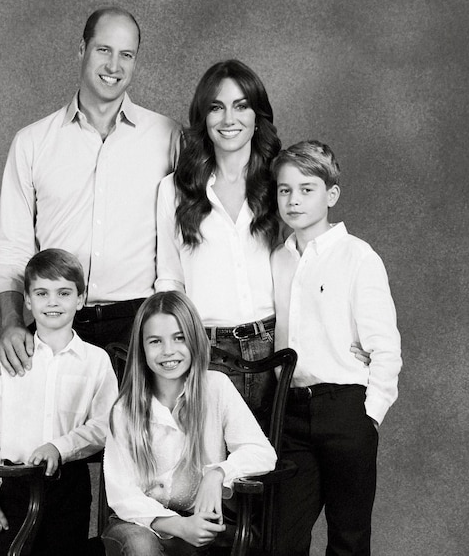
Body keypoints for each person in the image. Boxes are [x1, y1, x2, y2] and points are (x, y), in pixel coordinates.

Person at [155, 60, 368, 421]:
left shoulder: (279, 184)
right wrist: (170, 347)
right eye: (216, 107)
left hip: (277, 345)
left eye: (241, 106)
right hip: (205, 349)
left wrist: (348, 332)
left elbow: (314, 260)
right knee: (210, 469)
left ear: (257, 116)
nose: (228, 119)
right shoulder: (174, 190)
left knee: (273, 466)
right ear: (203, 117)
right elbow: (170, 279)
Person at [0, 7, 180, 376]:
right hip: (57, 323)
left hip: (138, 327)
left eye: (127, 54)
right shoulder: (32, 143)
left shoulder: (168, 138)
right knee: (51, 435)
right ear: (81, 50)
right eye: (104, 50)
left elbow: (191, 235)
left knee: (135, 435)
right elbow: (11, 247)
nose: (114, 66)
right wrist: (11, 323)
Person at [270, 141, 403, 556]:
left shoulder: (357, 256)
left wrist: (370, 415)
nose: (293, 200)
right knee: (280, 539)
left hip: (345, 408)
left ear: (331, 195)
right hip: (289, 411)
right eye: (284, 189)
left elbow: (385, 345)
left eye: (306, 189)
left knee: (348, 537)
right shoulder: (277, 258)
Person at [101, 291, 277, 556]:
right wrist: (177, 526)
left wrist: (217, 473)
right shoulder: (126, 408)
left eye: (179, 338)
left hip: (196, 522)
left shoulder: (215, 387)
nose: (168, 351)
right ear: (142, 348)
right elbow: (122, 493)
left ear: (194, 340)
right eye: (155, 341)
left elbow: (262, 453)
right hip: (138, 523)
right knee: (141, 545)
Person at [0, 248, 119, 556]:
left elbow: (106, 425)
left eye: (64, 293)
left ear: (80, 299)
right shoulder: (12, 357)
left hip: (68, 487)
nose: (52, 302)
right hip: (13, 486)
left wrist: (61, 447)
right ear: (27, 300)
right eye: (42, 293)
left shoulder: (95, 361)